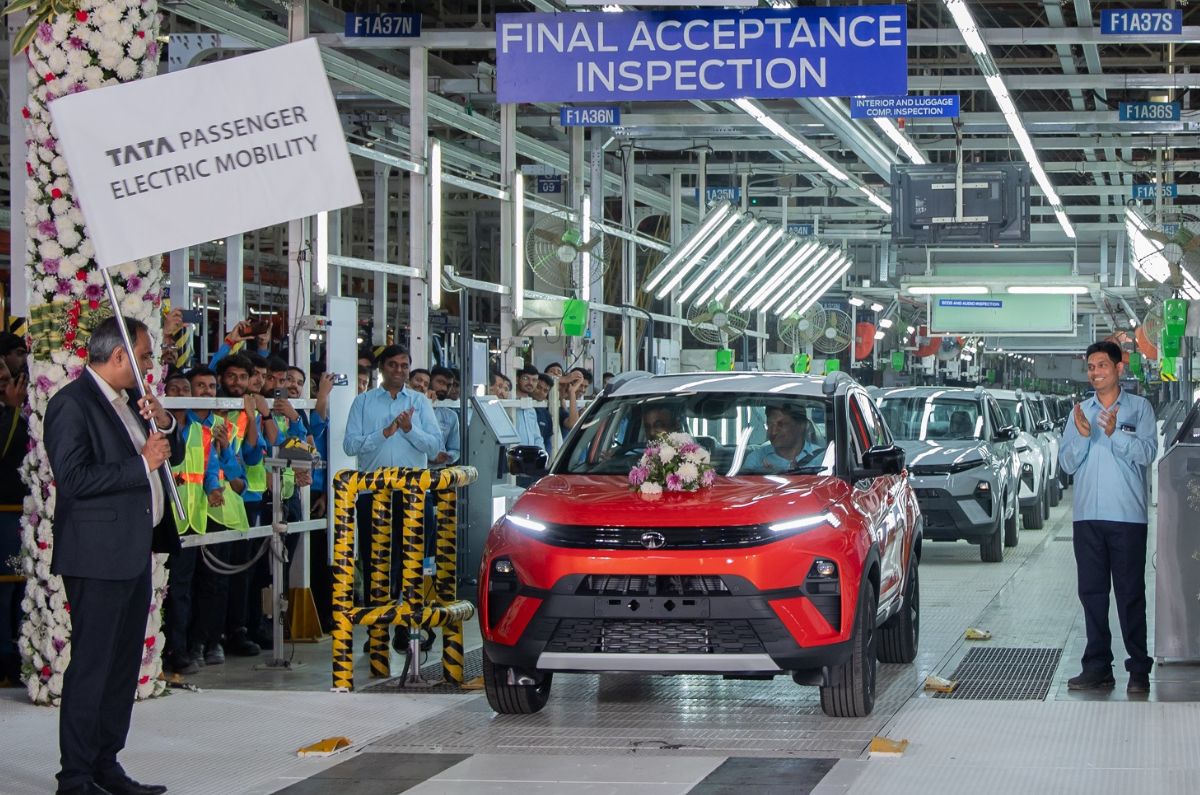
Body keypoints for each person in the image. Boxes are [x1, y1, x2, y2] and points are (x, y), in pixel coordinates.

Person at [44, 317, 181, 795]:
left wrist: (164, 422)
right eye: (144, 356)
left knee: (122, 668)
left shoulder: (130, 402)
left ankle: (106, 764)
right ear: (119, 356)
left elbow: (169, 455)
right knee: (93, 667)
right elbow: (73, 479)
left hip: (132, 551)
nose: (149, 365)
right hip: (97, 557)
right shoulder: (71, 403)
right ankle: (75, 776)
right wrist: (139, 463)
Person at [1059, 340, 1158, 693]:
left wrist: (1115, 435)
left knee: (1130, 595)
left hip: (1127, 517)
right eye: (1090, 367)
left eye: (1102, 365)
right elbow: (1066, 463)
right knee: (1092, 594)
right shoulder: (1079, 412)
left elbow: (1147, 453)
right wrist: (1083, 437)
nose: (1095, 372)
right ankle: (1097, 667)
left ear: (1118, 368)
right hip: (1087, 516)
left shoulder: (1140, 409)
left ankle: (1139, 670)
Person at [0, 359, 30, 685]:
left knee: (22, 585)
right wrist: (12, 409)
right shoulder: (10, 411)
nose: (3, 378)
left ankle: (20, 654)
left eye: (3, 371)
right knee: (5, 588)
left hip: (21, 514)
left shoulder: (20, 410)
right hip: (3, 516)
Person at [743, 405, 823, 473]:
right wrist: (762, 477)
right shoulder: (756, 459)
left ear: (801, 425)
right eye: (769, 424)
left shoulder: (822, 457)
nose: (773, 432)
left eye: (781, 424)